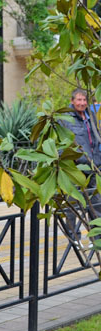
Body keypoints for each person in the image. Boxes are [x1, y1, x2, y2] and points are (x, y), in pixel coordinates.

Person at [59, 88, 101, 248]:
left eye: (84, 100)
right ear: (72, 101)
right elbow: (62, 144)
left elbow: (96, 141)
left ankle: (96, 237)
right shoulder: (66, 119)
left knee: (96, 204)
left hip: (93, 167)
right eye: (79, 100)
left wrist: (97, 161)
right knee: (73, 205)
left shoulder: (91, 117)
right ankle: (74, 238)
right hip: (75, 169)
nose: (82, 103)